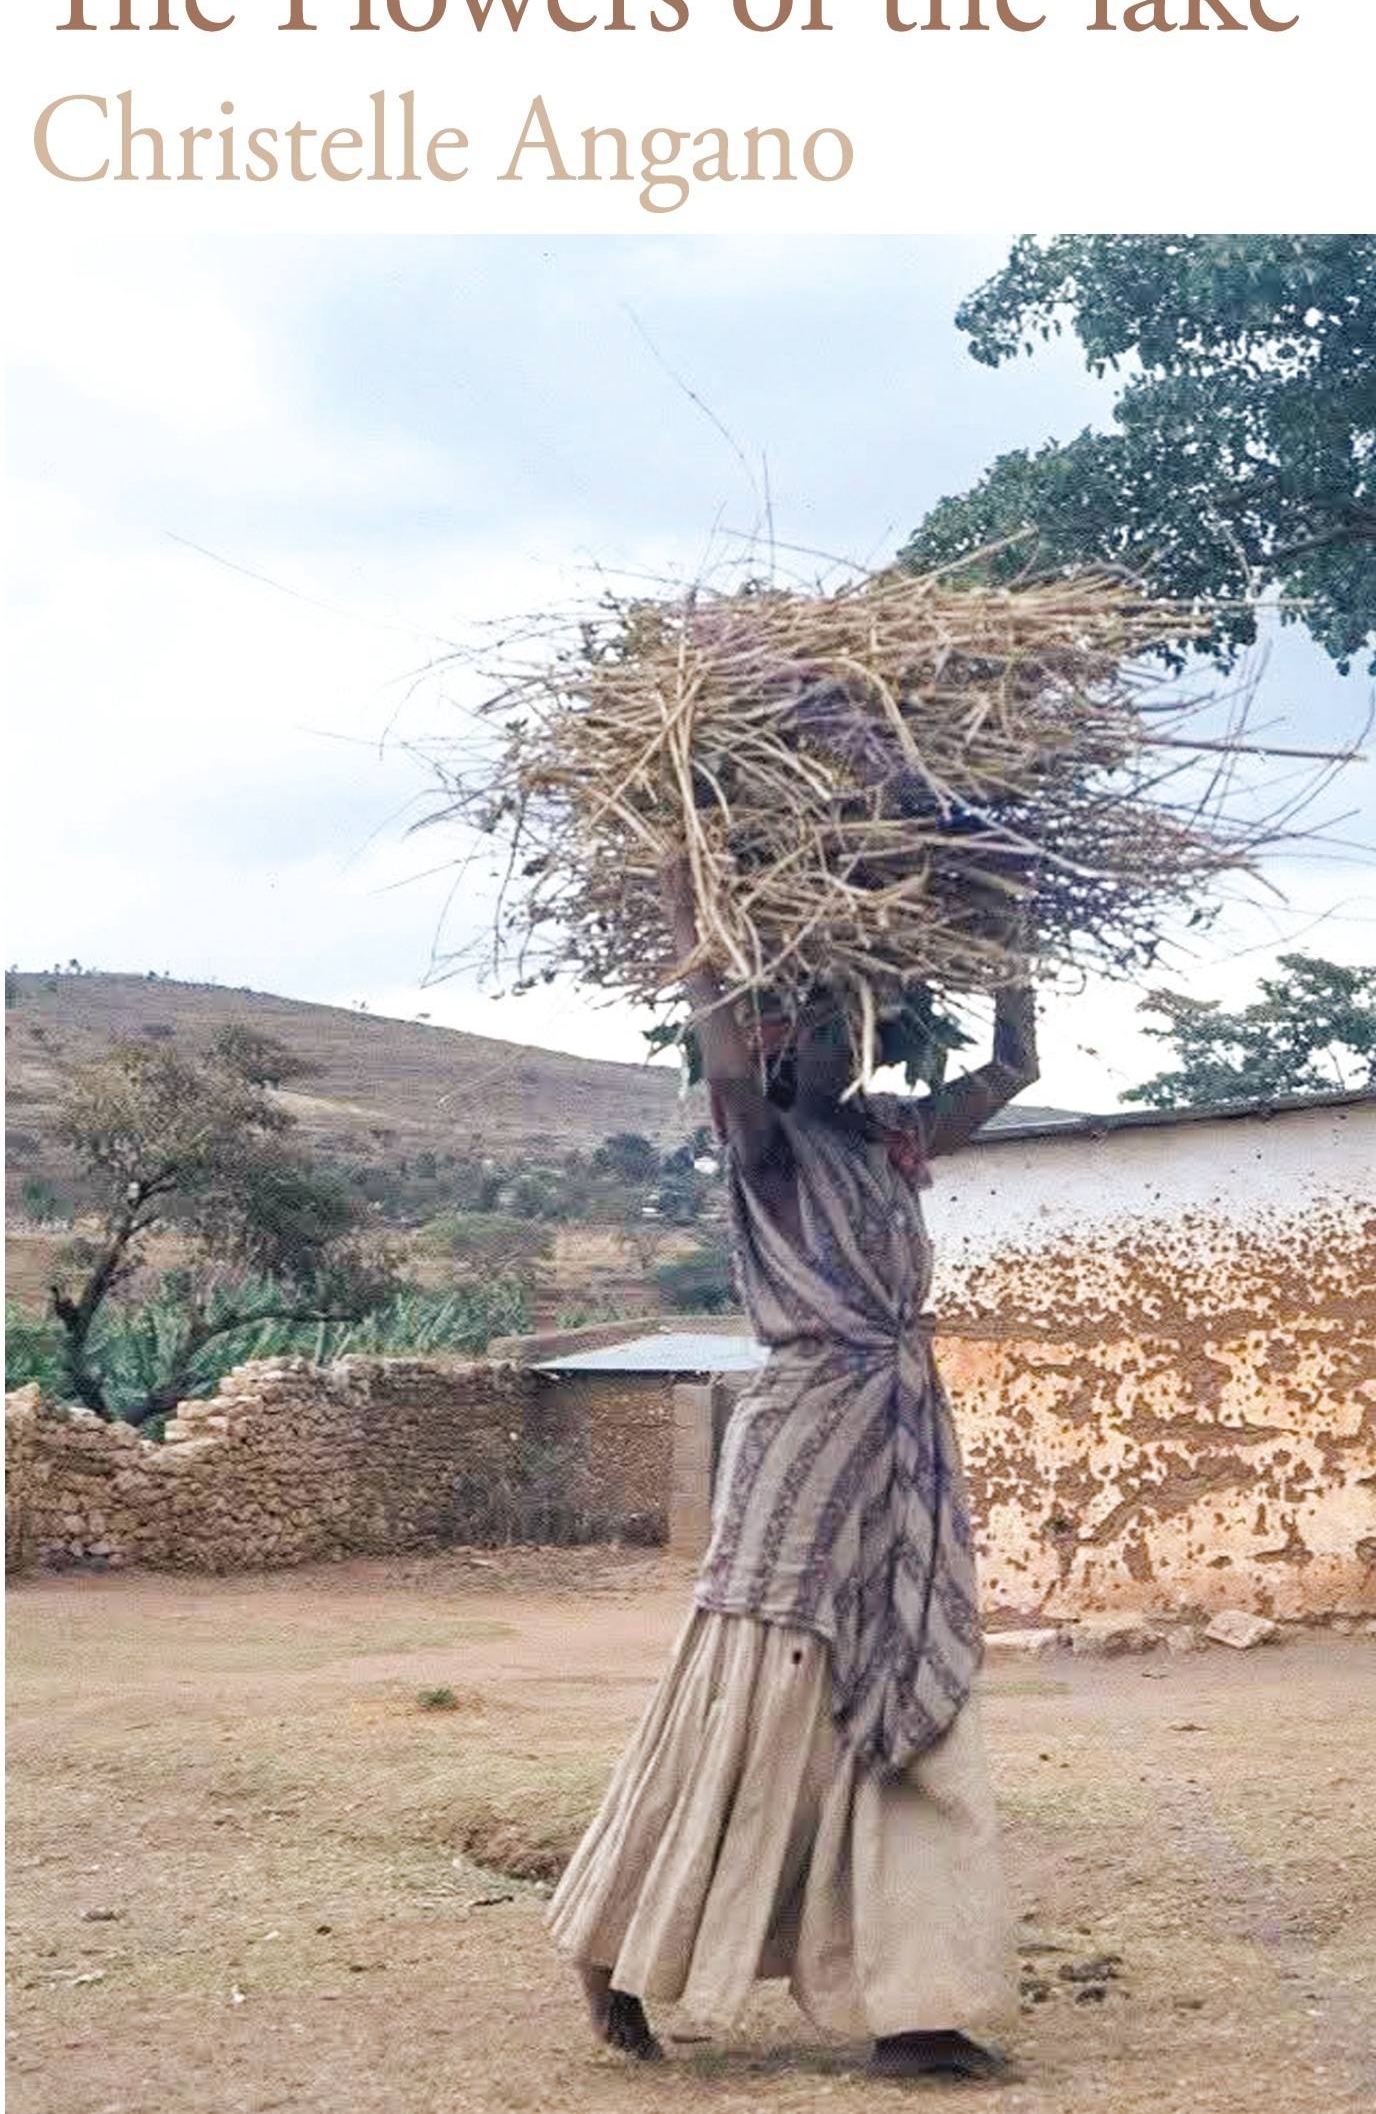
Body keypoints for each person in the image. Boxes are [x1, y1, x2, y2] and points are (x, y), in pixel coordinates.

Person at [547, 857, 1040, 2077]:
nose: (836, 1045)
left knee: (916, 1687)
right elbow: (719, 1065)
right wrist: (689, 922)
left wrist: (1013, 930)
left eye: (849, 1026)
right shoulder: (760, 1150)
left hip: (902, 1439)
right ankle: (619, 1950)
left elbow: (1018, 1065)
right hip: (805, 1443)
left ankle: (918, 2004)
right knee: (765, 1694)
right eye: (810, 1025)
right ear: (768, 1054)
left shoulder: (895, 1141)